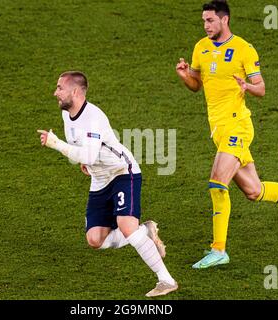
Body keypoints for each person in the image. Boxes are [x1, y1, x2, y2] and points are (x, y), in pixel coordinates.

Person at [175, 0, 278, 269]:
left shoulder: (244, 49)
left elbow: (261, 88)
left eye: (210, 21)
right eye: (204, 21)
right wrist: (184, 75)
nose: (205, 25)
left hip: (238, 126)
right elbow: (196, 85)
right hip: (219, 130)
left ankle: (219, 250)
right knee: (254, 191)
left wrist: (247, 87)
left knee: (217, 182)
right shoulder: (200, 48)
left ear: (224, 20)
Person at [37, 71, 178, 297]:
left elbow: (90, 155)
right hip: (100, 179)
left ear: (75, 92)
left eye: (59, 88)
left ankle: (166, 280)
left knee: (126, 227)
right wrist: (86, 163)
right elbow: (87, 153)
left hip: (123, 172)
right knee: (95, 240)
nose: (55, 92)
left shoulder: (94, 117)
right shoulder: (67, 115)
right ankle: (146, 231)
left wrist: (56, 145)